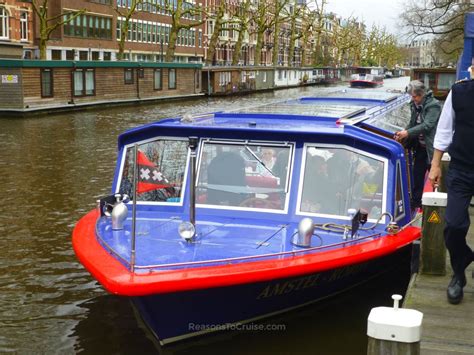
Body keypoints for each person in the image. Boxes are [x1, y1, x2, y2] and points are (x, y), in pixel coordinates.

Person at [429, 68, 474, 304]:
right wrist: (436, 165)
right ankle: (460, 268)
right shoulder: (458, 92)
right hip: (461, 169)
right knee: (453, 226)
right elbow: (444, 130)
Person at [394, 80, 441, 210]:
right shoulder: (414, 104)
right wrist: (402, 133)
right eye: (411, 96)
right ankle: (415, 203)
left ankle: (436, 204)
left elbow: (427, 125)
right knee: (417, 175)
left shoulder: (434, 105)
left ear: (422, 94)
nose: (412, 99)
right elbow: (413, 123)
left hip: (432, 149)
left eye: (414, 96)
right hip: (420, 148)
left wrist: (407, 132)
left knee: (434, 176)